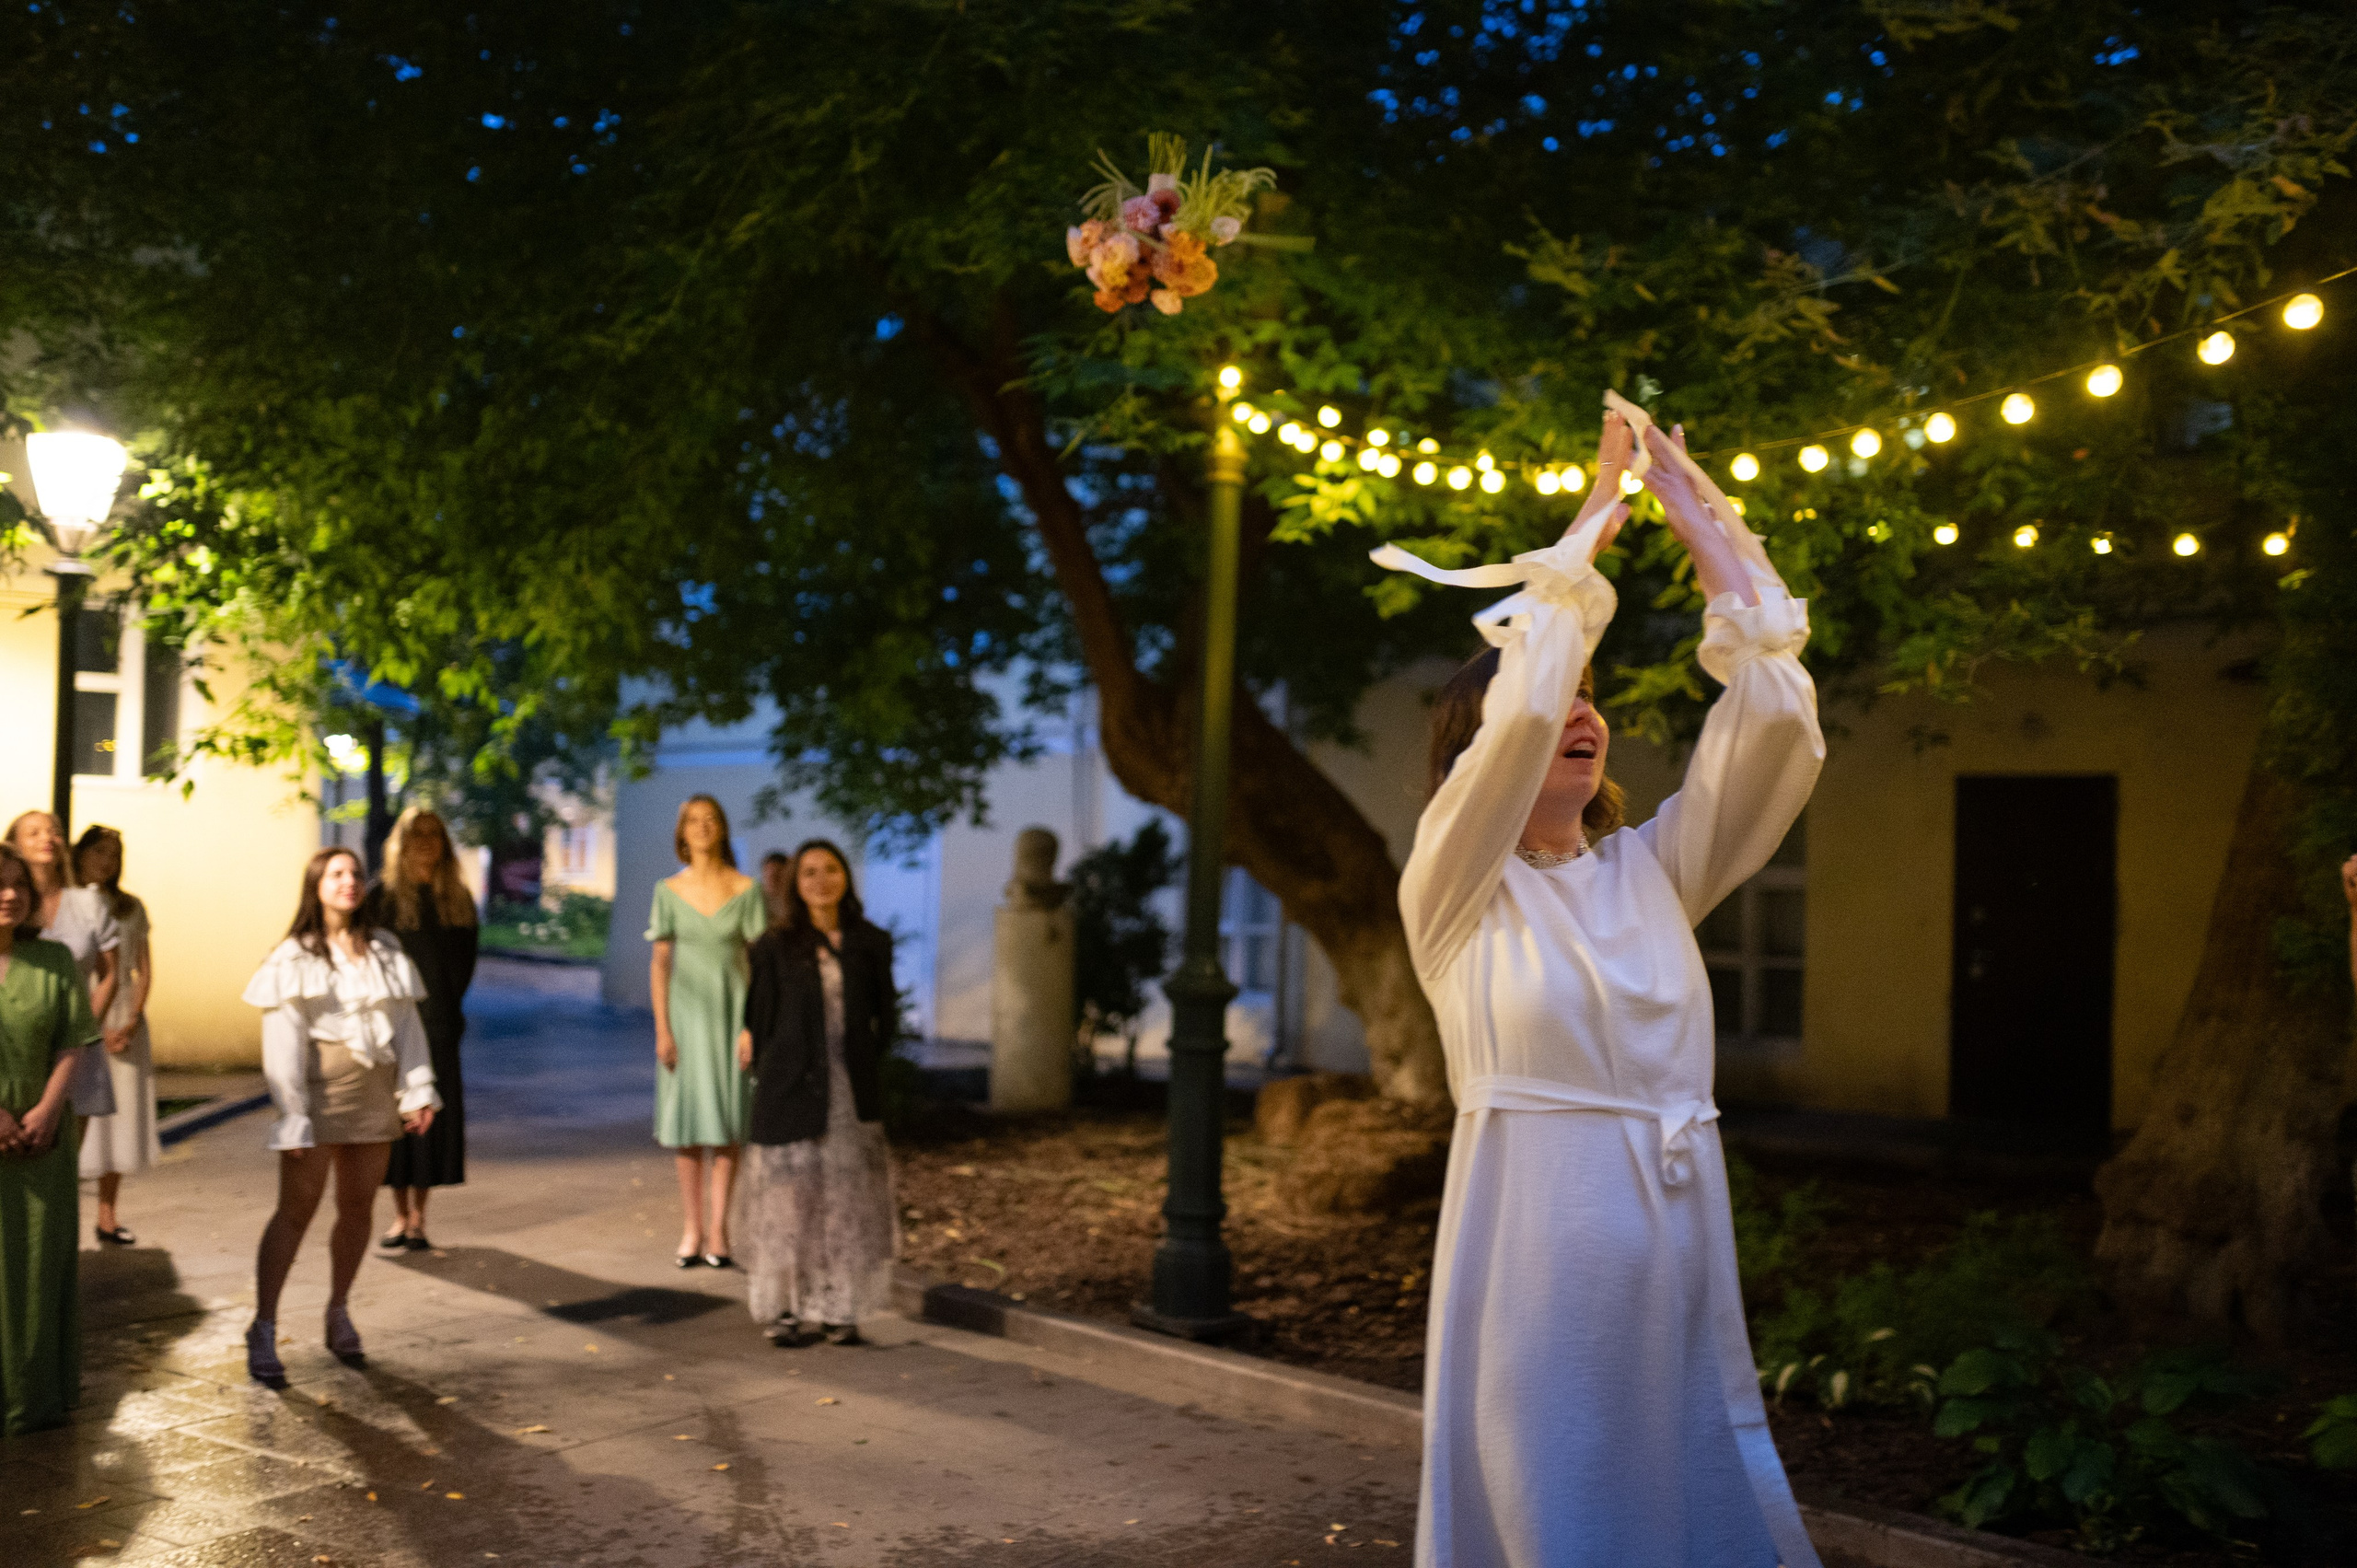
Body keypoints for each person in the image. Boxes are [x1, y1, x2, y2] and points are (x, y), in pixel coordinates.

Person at [1384, 401, 1826, 1568]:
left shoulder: (1651, 875)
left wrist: (1701, 526)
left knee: (1685, 1466)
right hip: (1538, 1230)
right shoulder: (1454, 889)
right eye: (1558, 694)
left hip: (1674, 1220)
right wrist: (1587, 529)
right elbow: (1523, 704)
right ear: (1474, 752)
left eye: (1594, 700)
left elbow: (1776, 722)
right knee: (1556, 1486)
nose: (1579, 711)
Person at [241, 847, 439, 1385]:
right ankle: (263, 1324)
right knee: (296, 1210)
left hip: (374, 1095)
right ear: (316, 886)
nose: (349, 882)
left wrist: (417, 1088)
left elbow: (407, 1027)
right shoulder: (294, 956)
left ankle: (338, 1308)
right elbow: (281, 1046)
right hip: (321, 1096)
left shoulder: (385, 950)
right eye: (336, 874)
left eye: (354, 873)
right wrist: (293, 1114)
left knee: (357, 1208)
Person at [737, 840, 898, 1346]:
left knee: (843, 1198)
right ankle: (784, 1308)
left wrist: (867, 1062)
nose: (821, 880)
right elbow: (758, 1018)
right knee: (789, 1202)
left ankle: (837, 1307)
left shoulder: (869, 942)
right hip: (790, 1085)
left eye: (830, 870)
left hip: (848, 1087)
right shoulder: (774, 945)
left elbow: (884, 1018)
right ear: (794, 884)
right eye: (809, 873)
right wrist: (752, 1048)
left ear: (846, 878)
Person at [0, 842, 99, 1434]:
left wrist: (47, 1108)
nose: (8, 895)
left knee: (38, 1264)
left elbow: (74, 1038)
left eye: (18, 885)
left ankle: (33, 1396)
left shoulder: (56, 960)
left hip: (42, 1144)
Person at [647, 795, 763, 1268]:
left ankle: (720, 1231)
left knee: (728, 1125)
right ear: (682, 831)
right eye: (692, 821)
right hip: (684, 1022)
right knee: (687, 1128)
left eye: (710, 819)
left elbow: (761, 966)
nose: (701, 827)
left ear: (723, 829)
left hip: (732, 1019)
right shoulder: (667, 891)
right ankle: (692, 1229)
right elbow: (659, 964)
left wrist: (752, 1026)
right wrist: (662, 1030)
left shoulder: (747, 890)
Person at [367, 807, 481, 1251]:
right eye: (418, 834)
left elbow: (466, 964)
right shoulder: (383, 898)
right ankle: (398, 1215)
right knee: (398, 1118)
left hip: (441, 1022)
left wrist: (448, 1010)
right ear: (402, 841)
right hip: (394, 1023)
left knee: (432, 1118)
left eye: (435, 834)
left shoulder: (458, 899)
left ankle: (420, 1217)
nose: (427, 843)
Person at [74, 826, 161, 1243]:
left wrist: (129, 1021)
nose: (106, 861)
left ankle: (107, 1214)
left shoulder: (131, 907)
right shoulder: (69, 903)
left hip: (125, 1014)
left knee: (119, 1115)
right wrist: (95, 1026)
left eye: (114, 854)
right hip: (82, 1009)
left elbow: (143, 969)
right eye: (98, 852)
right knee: (77, 1111)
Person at [6, 812, 120, 1130]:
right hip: (17, 1039)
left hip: (76, 1046)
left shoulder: (89, 903)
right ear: (14, 845)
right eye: (34, 832)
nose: (47, 838)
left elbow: (110, 973)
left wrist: (84, 1030)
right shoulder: (9, 904)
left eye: (54, 831)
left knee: (67, 1153)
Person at [759, 849, 794, 929]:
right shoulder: (755, 901)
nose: (772, 880)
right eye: (767, 875)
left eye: (777, 875)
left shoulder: (796, 901)